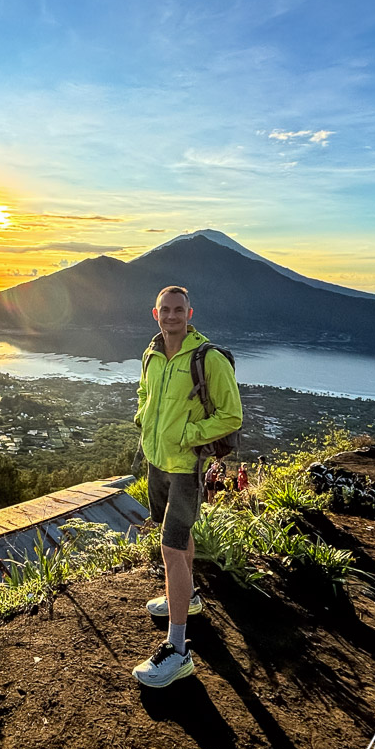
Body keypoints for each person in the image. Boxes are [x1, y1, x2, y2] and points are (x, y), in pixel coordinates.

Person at [131, 285, 242, 688]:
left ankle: (177, 650)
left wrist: (189, 434)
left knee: (171, 547)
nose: (172, 315)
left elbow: (231, 416)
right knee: (178, 541)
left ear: (190, 313)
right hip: (156, 462)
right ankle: (189, 598)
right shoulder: (152, 354)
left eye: (179, 309)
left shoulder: (207, 358)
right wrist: (143, 419)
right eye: (166, 310)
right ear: (155, 313)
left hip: (185, 467)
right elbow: (145, 393)